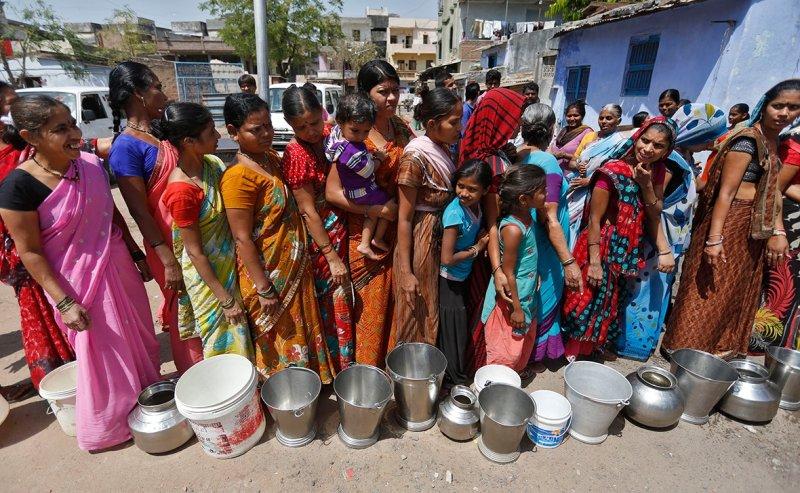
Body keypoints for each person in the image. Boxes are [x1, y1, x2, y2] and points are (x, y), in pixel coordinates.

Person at [0, 95, 160, 451]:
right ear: (30, 137)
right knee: (101, 354)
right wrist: (65, 302)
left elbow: (111, 215)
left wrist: (136, 254)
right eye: (61, 129)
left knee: (140, 339)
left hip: (118, 266)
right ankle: (110, 426)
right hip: (77, 284)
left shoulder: (88, 164)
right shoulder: (17, 188)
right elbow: (30, 252)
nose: (75, 133)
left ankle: (150, 405)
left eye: (73, 123)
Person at [664, 80, 800, 359]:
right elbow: (725, 193)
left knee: (733, 290)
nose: (784, 113)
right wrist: (714, 239)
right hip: (730, 220)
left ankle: (716, 350)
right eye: (779, 105)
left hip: (751, 226)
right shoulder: (748, 140)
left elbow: (773, 190)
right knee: (709, 288)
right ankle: (686, 350)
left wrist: (778, 230)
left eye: (793, 108)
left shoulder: (773, 142)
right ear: (765, 105)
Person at [222, 93, 334, 380]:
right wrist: (263, 288)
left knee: (301, 327)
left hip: (293, 265)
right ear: (234, 132)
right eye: (256, 130)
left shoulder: (271, 158)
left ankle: (307, 386)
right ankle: (286, 394)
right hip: (269, 275)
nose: (266, 134)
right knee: (278, 338)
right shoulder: (238, 178)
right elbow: (242, 238)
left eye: (268, 126)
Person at [108, 60, 203, 373]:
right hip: (169, 246)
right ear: (138, 93)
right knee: (185, 317)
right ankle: (197, 380)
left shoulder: (163, 133)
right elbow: (139, 210)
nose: (163, 94)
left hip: (195, 236)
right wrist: (167, 260)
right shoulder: (126, 147)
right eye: (157, 87)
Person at [561, 117, 677, 360]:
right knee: (587, 297)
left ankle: (592, 348)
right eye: (645, 141)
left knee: (609, 301)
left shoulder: (657, 173)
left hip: (625, 250)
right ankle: (573, 351)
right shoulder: (611, 171)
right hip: (600, 243)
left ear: (667, 150)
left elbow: (654, 212)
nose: (648, 149)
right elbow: (594, 219)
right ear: (637, 137)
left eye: (657, 146)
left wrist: (646, 185)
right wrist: (594, 261)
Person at [326, 60, 413, 366]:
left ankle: (391, 377)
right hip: (365, 230)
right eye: (382, 91)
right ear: (365, 93)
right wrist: (376, 208)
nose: (391, 98)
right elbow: (332, 193)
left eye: (395, 90)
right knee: (369, 312)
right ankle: (365, 380)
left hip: (398, 232)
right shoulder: (354, 135)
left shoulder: (403, 129)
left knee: (395, 308)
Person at [158, 102, 254, 361]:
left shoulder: (211, 164)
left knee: (242, 339)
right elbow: (194, 251)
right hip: (210, 281)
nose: (218, 137)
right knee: (223, 345)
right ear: (189, 141)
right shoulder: (182, 191)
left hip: (228, 267)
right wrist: (223, 298)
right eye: (211, 132)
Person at [0, 88, 73, 400]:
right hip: (19, 241)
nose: (13, 106)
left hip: (50, 235)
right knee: (40, 306)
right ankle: (57, 378)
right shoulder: (15, 165)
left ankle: (78, 365)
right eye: (7, 102)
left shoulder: (22, 147)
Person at [281, 86, 354, 372]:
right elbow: (308, 211)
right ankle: (339, 366)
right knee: (333, 299)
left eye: (314, 122)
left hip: (343, 223)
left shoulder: (330, 136)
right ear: (290, 124)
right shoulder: (295, 155)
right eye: (302, 126)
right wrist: (330, 256)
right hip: (321, 238)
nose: (311, 130)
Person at [459, 87, 526, 370]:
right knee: (481, 306)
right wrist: (498, 269)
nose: (519, 123)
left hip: (485, 244)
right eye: (515, 118)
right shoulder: (490, 164)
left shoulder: (485, 151)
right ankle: (480, 363)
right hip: (490, 247)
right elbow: (493, 219)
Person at [391, 87, 462, 346]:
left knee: (431, 306)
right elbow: (405, 218)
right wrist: (406, 271)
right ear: (432, 124)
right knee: (417, 310)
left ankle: (427, 370)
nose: (459, 127)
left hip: (437, 237)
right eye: (454, 122)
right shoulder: (415, 158)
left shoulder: (443, 148)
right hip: (420, 241)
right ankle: (411, 375)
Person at [517, 103, 581, 369]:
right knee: (543, 296)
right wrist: (568, 260)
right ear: (552, 129)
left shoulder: (518, 155)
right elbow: (549, 214)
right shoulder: (549, 164)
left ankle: (521, 352)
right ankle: (531, 357)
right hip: (545, 245)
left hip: (525, 237)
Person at [480, 165, 546, 372]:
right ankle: (499, 378)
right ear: (524, 200)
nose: (546, 194)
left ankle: (513, 374)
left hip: (525, 291)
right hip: (512, 297)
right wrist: (516, 308)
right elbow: (508, 272)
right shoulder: (513, 229)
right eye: (542, 191)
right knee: (506, 342)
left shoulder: (528, 219)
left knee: (519, 339)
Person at [438, 159, 491, 385]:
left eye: (472, 189)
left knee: (457, 327)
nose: (464, 193)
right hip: (449, 279)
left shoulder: (476, 207)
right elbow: (447, 258)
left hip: (463, 275)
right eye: (461, 186)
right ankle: (453, 379)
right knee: (453, 330)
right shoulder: (454, 214)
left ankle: (454, 375)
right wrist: (477, 249)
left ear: (485, 190)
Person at [325, 93, 393, 260]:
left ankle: (366, 242)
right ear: (341, 122)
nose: (361, 136)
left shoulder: (337, 137)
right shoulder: (350, 151)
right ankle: (374, 239)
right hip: (360, 191)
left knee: (374, 211)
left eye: (366, 131)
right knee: (387, 205)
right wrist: (379, 158)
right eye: (355, 130)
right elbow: (368, 170)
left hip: (356, 190)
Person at [753, 117, 800, 352]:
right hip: (791, 226)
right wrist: (777, 231)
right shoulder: (794, 143)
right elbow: (775, 187)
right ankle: (762, 347)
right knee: (782, 288)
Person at [565, 104, 625, 249]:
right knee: (566, 223)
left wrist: (590, 181)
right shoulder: (590, 137)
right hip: (574, 188)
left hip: (597, 192)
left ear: (618, 120)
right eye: (601, 118)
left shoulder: (620, 143)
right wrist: (577, 165)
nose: (603, 121)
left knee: (584, 227)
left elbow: (616, 173)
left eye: (609, 118)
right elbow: (573, 161)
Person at [549, 100, 594, 172]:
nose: (572, 119)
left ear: (582, 116)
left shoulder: (587, 133)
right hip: (554, 172)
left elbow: (587, 158)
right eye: (569, 116)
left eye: (576, 115)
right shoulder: (564, 130)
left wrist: (565, 155)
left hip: (570, 176)